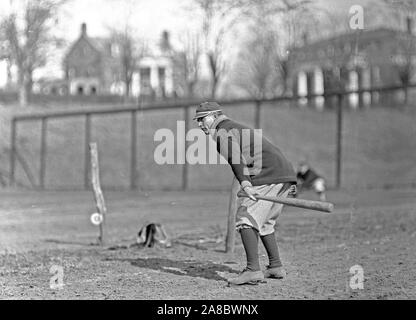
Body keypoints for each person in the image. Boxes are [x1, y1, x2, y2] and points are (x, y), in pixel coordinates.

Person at [193, 101, 297, 285]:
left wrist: (246, 183)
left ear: (215, 116)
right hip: (284, 172)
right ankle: (275, 266)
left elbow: (235, 157)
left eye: (202, 119)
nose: (200, 124)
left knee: (245, 218)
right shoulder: (233, 127)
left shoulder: (222, 131)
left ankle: (252, 270)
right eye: (198, 121)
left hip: (268, 173)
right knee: (264, 222)